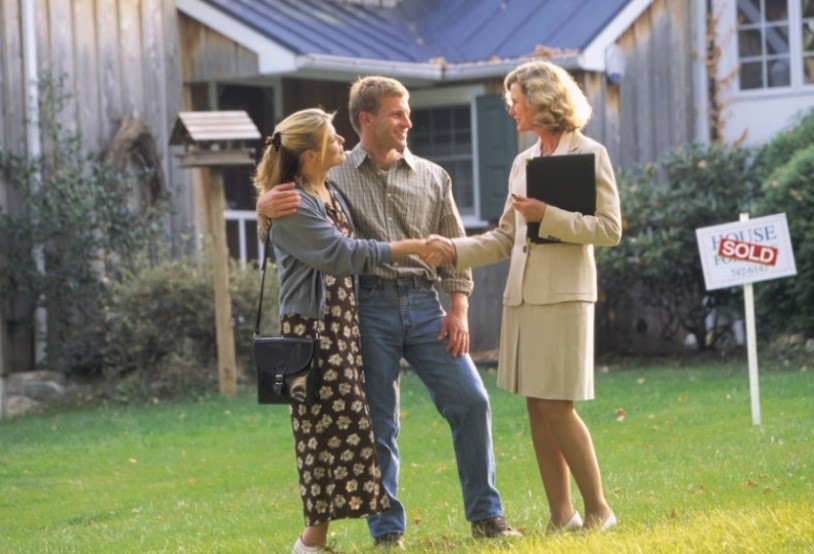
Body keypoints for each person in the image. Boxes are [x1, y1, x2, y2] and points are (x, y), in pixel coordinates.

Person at [257, 77, 518, 549]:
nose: (408, 122)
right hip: (365, 308)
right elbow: (293, 197)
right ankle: (387, 533)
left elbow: (457, 249)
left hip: (425, 305)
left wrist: (458, 310)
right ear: (366, 120)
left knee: (471, 401)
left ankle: (487, 516)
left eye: (408, 111)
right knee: (379, 422)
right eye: (397, 113)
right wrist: (262, 203)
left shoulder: (434, 176)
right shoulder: (333, 173)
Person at [424, 60, 622, 532]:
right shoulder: (523, 161)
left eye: (514, 100)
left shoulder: (591, 153)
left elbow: (610, 230)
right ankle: (563, 515)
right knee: (537, 405)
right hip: (523, 298)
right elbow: (503, 237)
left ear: (539, 99)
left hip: (566, 298)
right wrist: (452, 249)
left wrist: (547, 214)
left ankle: (599, 510)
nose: (510, 109)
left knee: (558, 404)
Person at [253, 108, 433, 554]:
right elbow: (341, 254)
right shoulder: (293, 202)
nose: (343, 145)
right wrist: (414, 248)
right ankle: (309, 543)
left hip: (341, 327)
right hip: (311, 333)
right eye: (334, 140)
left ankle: (314, 542)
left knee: (344, 430)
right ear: (310, 154)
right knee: (323, 434)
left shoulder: (327, 189)